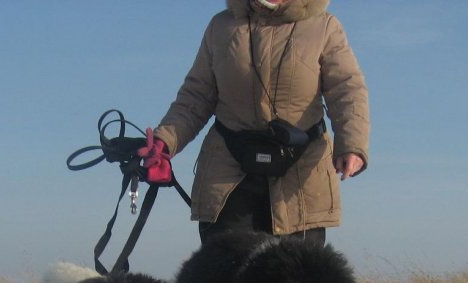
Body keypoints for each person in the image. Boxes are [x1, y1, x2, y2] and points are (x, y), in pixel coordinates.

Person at [141, 0, 369, 246]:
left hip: (302, 178)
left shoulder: (325, 27)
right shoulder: (221, 27)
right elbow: (195, 96)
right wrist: (164, 144)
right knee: (226, 276)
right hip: (228, 174)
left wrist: (352, 144)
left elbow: (347, 90)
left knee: (296, 279)